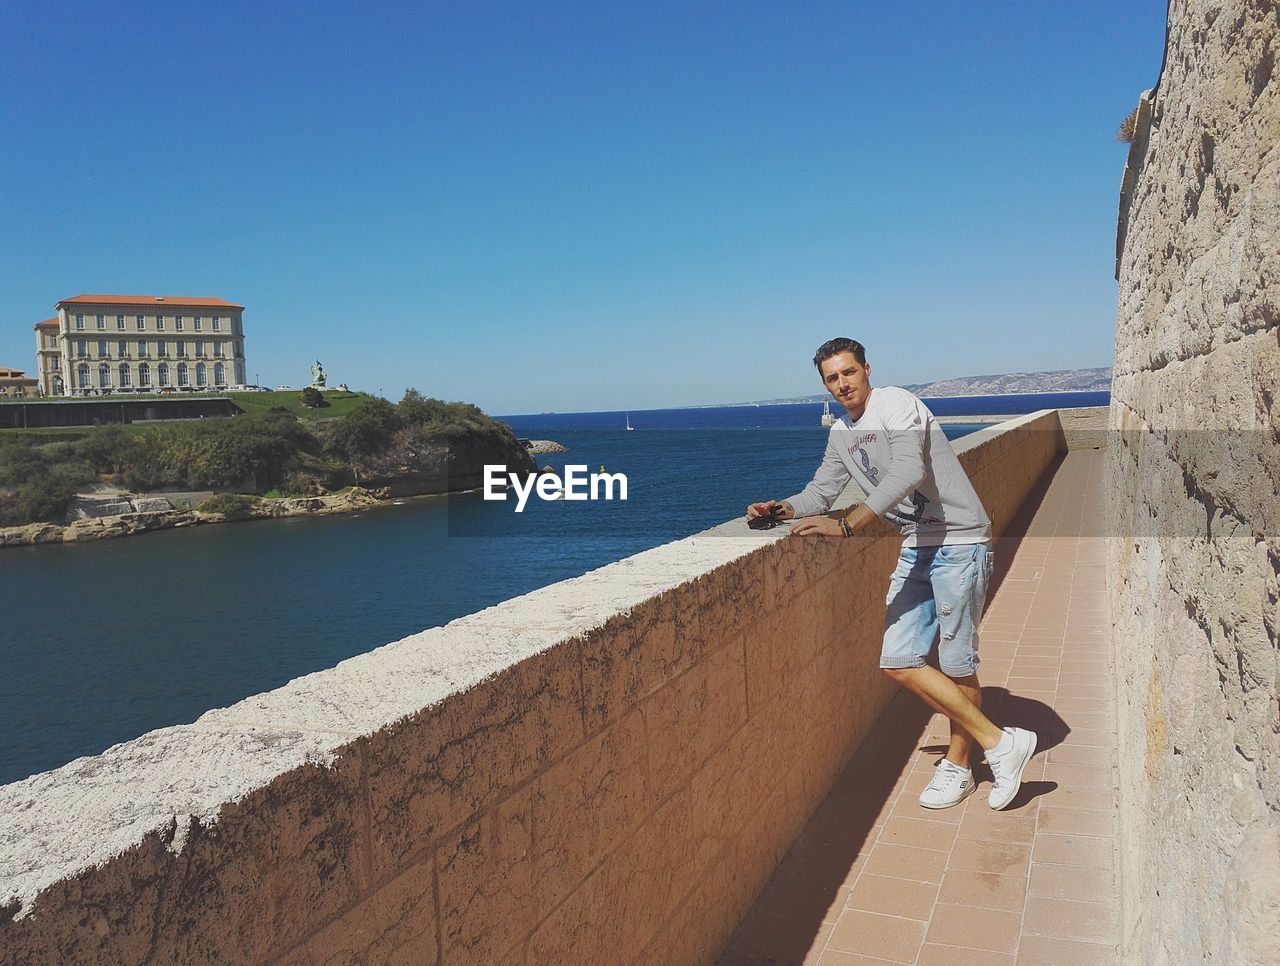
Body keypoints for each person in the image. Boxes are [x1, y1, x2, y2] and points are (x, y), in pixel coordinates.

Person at [747, 338, 1036, 810]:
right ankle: (1002, 744)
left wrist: (849, 525)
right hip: (916, 546)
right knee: (897, 660)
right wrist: (777, 509)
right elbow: (819, 492)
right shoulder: (841, 433)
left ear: (866, 370)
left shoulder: (896, 404)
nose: (842, 384)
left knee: (957, 661)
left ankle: (961, 766)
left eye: (848, 373)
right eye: (831, 378)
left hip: (959, 541)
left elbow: (907, 470)